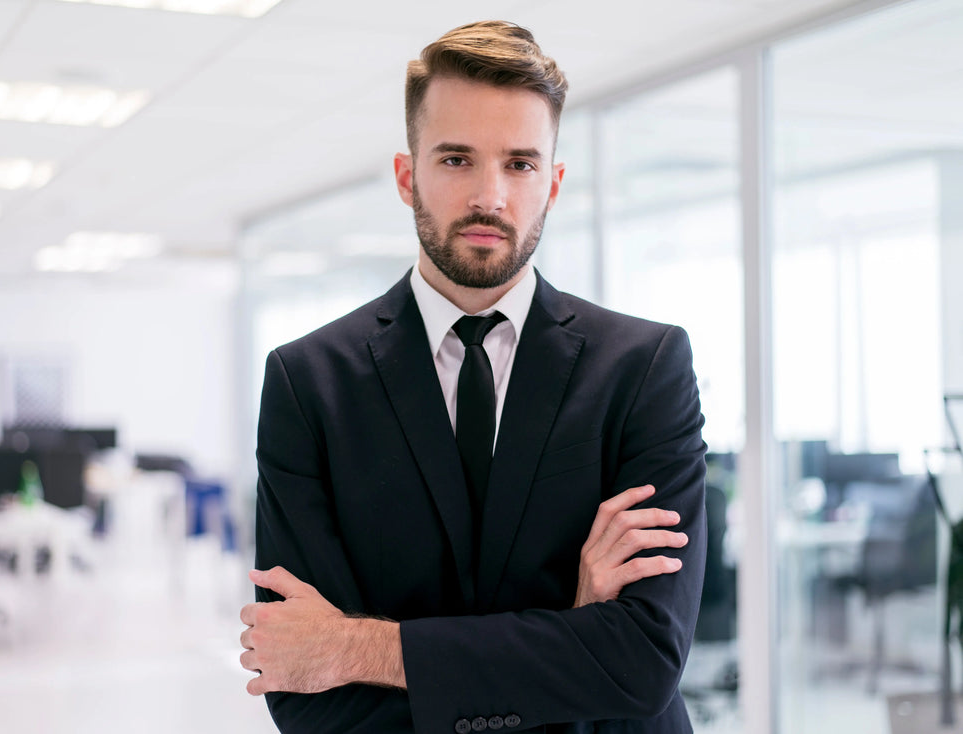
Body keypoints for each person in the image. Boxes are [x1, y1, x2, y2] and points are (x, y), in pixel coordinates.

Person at [239, 20, 707, 734]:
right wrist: (572, 631)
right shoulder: (308, 385)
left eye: (520, 164)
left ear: (551, 183)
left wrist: (358, 646)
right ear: (407, 176)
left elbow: (642, 662)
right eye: (457, 160)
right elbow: (308, 692)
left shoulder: (645, 369)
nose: (490, 197)